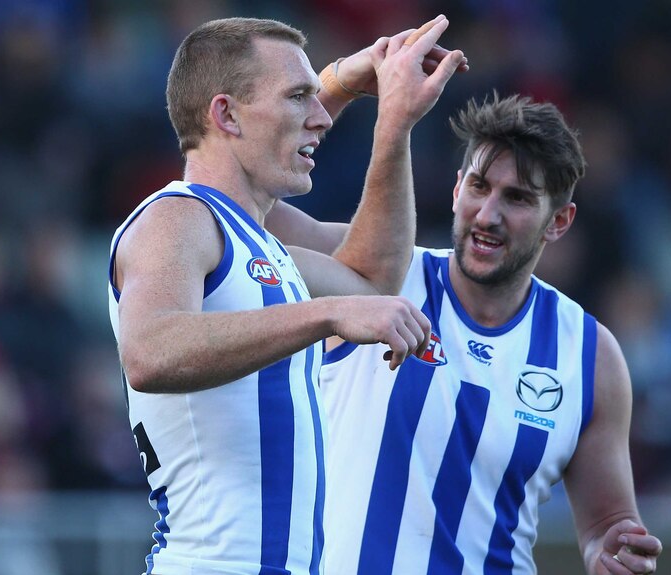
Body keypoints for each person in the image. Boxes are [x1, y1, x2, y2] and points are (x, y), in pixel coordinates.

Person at [107, 16, 465, 575]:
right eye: (299, 97)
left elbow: (374, 279)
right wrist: (328, 313)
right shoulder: (176, 217)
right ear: (224, 114)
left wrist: (391, 122)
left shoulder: (260, 243)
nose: (321, 117)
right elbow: (150, 351)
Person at [266, 91, 663, 574]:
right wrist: (340, 87)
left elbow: (607, 525)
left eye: (517, 198)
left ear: (558, 221)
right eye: (479, 186)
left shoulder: (590, 355)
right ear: (457, 190)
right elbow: (228, 200)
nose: (488, 214)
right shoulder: (377, 275)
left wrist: (611, 553)